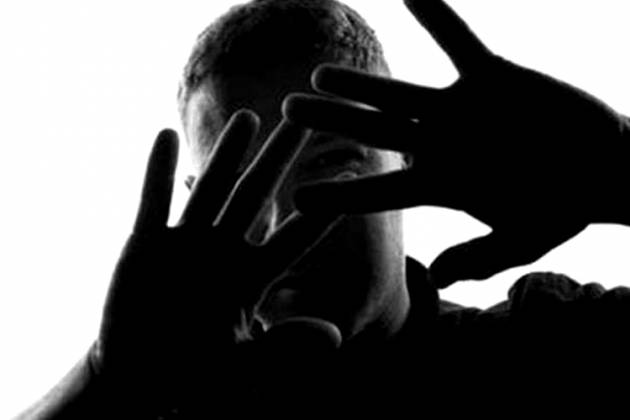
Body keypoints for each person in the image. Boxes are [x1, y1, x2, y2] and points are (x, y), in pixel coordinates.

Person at [15, 0, 630, 418]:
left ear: (405, 159)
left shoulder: (555, 354)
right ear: (196, 199)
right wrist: (106, 383)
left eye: (331, 162)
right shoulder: (160, 402)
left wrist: (623, 171)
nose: (286, 215)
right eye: (243, 183)